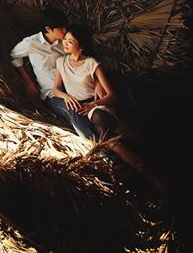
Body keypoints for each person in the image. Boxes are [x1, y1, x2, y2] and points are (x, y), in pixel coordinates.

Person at [51, 24, 165, 195]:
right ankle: (147, 169)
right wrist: (66, 97)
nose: (65, 43)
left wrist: (92, 104)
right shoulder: (61, 62)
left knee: (100, 119)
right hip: (81, 108)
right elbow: (56, 89)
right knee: (105, 136)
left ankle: (145, 158)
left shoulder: (92, 63)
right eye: (65, 40)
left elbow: (112, 95)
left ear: (81, 47)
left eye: (70, 41)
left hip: (96, 105)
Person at [9, 7, 68, 102]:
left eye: (65, 27)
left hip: (71, 89)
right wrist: (27, 80)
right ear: (48, 29)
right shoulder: (31, 43)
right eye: (61, 28)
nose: (65, 30)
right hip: (51, 94)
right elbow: (14, 55)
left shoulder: (66, 42)